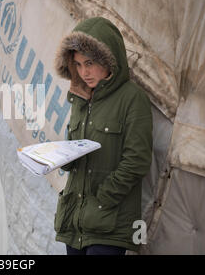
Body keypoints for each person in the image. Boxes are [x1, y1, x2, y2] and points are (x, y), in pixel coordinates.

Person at [53, 17, 153, 255]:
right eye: (77, 64)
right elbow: (75, 150)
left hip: (109, 221)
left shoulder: (132, 98)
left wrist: (104, 197)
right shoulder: (80, 98)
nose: (84, 72)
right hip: (74, 220)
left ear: (109, 60)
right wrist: (58, 158)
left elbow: (137, 160)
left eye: (89, 63)